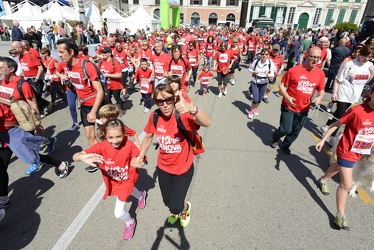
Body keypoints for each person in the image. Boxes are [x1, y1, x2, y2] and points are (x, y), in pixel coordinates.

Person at [132, 84, 210, 227]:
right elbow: (148, 137)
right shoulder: (155, 115)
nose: (165, 105)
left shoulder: (183, 114)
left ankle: (184, 208)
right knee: (167, 201)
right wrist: (141, 155)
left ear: (174, 99)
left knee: (175, 205)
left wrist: (193, 109)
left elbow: (207, 122)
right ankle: (176, 209)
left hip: (183, 169)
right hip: (163, 167)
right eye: (160, 102)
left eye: (169, 100)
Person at [73, 119, 146, 240]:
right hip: (114, 181)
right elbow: (75, 156)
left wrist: (140, 162)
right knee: (131, 190)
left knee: (118, 213)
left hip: (127, 180)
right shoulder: (101, 147)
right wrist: (82, 156)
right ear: (105, 135)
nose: (115, 141)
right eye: (110, 137)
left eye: (119, 136)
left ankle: (129, 222)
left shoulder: (129, 145)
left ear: (124, 134)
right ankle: (141, 195)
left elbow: (141, 159)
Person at [315, 85, 374, 231]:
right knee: (347, 184)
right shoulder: (357, 110)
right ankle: (340, 215)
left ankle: (323, 179)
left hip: (361, 152)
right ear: (372, 93)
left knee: (337, 167)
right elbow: (336, 124)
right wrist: (323, 140)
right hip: (346, 150)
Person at [56, 38, 104, 172]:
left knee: (106, 136)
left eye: (61, 52)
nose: (59, 55)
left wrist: (94, 111)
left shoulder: (87, 65)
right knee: (89, 136)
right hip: (84, 106)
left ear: (71, 51)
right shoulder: (67, 66)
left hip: (97, 105)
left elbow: (100, 91)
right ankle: (97, 160)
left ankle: (113, 159)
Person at [271, 47, 325, 155]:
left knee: (295, 131)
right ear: (306, 56)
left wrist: (319, 97)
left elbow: (321, 90)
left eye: (318, 58)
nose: (315, 60)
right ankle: (275, 137)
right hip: (289, 105)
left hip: (304, 108)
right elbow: (281, 85)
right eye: (313, 57)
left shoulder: (320, 74)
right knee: (285, 129)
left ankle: (285, 145)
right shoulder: (294, 70)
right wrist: (287, 96)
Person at [320, 45, 374, 146]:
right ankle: (331, 137)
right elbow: (338, 79)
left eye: (369, 57)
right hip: (343, 93)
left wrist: (372, 73)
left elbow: (365, 82)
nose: (366, 59)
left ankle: (326, 125)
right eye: (364, 56)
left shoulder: (369, 65)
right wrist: (334, 93)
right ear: (359, 53)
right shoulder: (350, 64)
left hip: (354, 95)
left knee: (338, 114)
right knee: (342, 116)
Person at [247, 48, 275, 119]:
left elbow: (272, 74)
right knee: (255, 99)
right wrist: (253, 72)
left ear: (268, 55)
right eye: (262, 54)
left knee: (259, 99)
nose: (264, 56)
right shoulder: (256, 61)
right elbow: (249, 69)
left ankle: (255, 108)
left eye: (266, 54)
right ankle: (251, 111)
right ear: (260, 54)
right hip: (255, 82)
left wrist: (268, 74)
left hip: (264, 83)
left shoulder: (270, 63)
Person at [98, 46, 124, 114]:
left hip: (115, 84)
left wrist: (108, 75)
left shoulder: (114, 62)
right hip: (106, 85)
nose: (103, 54)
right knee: (107, 99)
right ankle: (113, 110)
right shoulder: (101, 61)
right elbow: (99, 71)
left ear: (109, 53)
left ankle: (121, 110)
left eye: (105, 53)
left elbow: (119, 75)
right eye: (102, 53)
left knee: (117, 98)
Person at [40, 47, 67, 113]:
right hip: (48, 78)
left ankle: (52, 105)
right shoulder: (43, 61)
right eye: (41, 53)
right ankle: (64, 97)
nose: (42, 55)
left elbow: (59, 69)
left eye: (43, 53)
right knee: (57, 89)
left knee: (52, 91)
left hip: (55, 78)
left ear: (47, 53)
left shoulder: (53, 61)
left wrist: (62, 76)